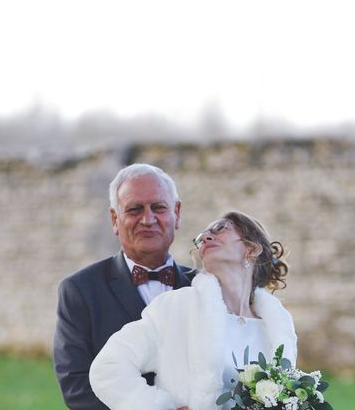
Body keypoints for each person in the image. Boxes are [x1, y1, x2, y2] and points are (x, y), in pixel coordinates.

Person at [89, 211, 295, 410]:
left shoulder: (278, 326)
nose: (205, 237)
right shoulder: (174, 308)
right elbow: (108, 367)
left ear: (252, 249)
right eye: (201, 237)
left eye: (220, 228)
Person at [53, 163, 197, 410]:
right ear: (115, 219)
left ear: (177, 213)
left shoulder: (203, 288)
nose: (148, 219)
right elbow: (76, 388)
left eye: (159, 207)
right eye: (135, 209)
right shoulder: (79, 291)